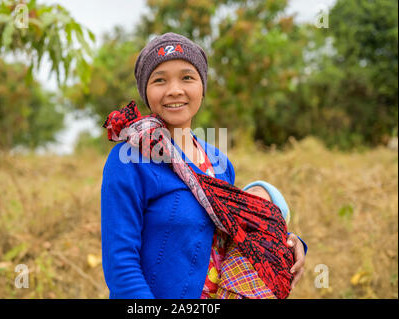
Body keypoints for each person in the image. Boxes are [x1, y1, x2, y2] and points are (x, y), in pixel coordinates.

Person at [101, 32, 306, 299]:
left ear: (202, 86)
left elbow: (235, 233)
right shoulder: (128, 160)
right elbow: (121, 264)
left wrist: (290, 243)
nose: (175, 89)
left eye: (187, 77)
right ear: (145, 91)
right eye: (159, 80)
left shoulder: (219, 163)